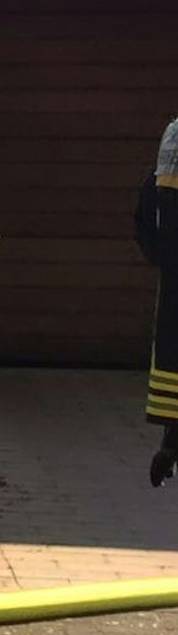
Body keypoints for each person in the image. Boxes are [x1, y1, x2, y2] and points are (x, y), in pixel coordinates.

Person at [139, 114, 178, 486]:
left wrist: (163, 259)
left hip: (175, 277)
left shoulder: (172, 139)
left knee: (173, 360)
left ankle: (170, 442)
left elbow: (144, 212)